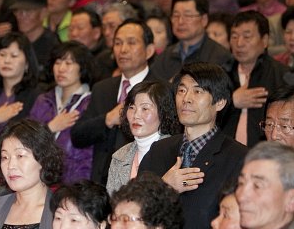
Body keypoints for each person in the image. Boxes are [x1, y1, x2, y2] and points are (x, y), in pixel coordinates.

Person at [139, 63, 249, 229]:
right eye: (181, 90)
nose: (186, 98)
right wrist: (165, 187)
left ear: (219, 103)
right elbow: (134, 209)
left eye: (197, 91)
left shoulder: (239, 157)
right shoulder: (160, 151)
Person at [72, 20, 161, 185]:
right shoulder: (102, 88)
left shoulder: (161, 90)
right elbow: (78, 135)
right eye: (118, 43)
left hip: (141, 182)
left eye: (131, 43)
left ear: (149, 51)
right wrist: (107, 119)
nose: (123, 49)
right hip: (100, 183)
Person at [220, 11, 294, 146]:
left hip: (268, 153)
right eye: (234, 36)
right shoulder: (221, 73)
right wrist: (231, 101)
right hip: (225, 156)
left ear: (264, 40)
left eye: (247, 37)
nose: (239, 43)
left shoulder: (284, 76)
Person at [0, 33, 43, 172]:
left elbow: (36, 139)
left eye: (14, 56)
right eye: (3, 54)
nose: (6, 60)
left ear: (27, 63)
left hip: (24, 170)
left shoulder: (37, 96)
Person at [29, 42, 95, 183]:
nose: (61, 69)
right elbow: (26, 140)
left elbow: (89, 155)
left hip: (74, 183)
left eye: (69, 63)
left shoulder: (90, 103)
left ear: (82, 68)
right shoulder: (43, 100)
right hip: (37, 179)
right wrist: (50, 128)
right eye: (58, 63)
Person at [107, 80, 182, 195]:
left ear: (163, 113)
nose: (136, 115)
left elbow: (186, 187)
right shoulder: (119, 156)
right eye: (132, 108)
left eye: (145, 109)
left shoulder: (175, 151)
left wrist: (165, 185)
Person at [150, 0, 233, 82]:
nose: (180, 21)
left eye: (188, 16)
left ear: (204, 20)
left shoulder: (220, 56)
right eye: (176, 15)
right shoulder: (164, 56)